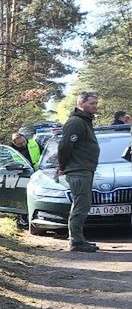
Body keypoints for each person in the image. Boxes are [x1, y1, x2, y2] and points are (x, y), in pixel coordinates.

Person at [58, 91, 101, 253]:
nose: (95, 107)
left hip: (84, 169)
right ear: (81, 103)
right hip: (78, 170)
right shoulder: (76, 122)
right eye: (92, 103)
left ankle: (78, 239)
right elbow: (65, 146)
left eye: (96, 104)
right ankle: (75, 241)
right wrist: (62, 166)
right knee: (80, 206)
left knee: (83, 204)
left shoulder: (85, 121)